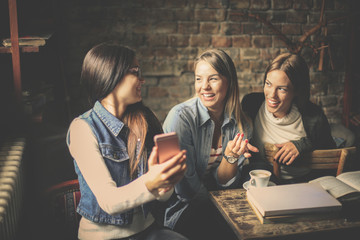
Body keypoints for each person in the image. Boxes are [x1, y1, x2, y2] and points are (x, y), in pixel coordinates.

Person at [66, 42, 188, 240]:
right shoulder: (82, 128)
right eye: (135, 72)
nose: (142, 80)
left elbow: (163, 196)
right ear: (111, 75)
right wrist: (151, 181)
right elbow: (109, 201)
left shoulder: (145, 120)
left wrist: (166, 182)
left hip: (149, 231)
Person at [162, 49, 258, 239]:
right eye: (199, 79)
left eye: (213, 79)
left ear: (229, 81)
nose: (204, 86)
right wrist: (220, 207)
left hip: (220, 203)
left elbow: (225, 185)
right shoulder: (180, 117)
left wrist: (230, 157)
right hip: (183, 207)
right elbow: (184, 187)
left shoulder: (243, 124)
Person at [242, 53, 336, 183]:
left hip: (304, 182)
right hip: (264, 178)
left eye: (282, 89)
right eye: (268, 84)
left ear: (297, 91)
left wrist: (302, 145)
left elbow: (331, 155)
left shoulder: (315, 117)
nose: (272, 95)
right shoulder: (251, 104)